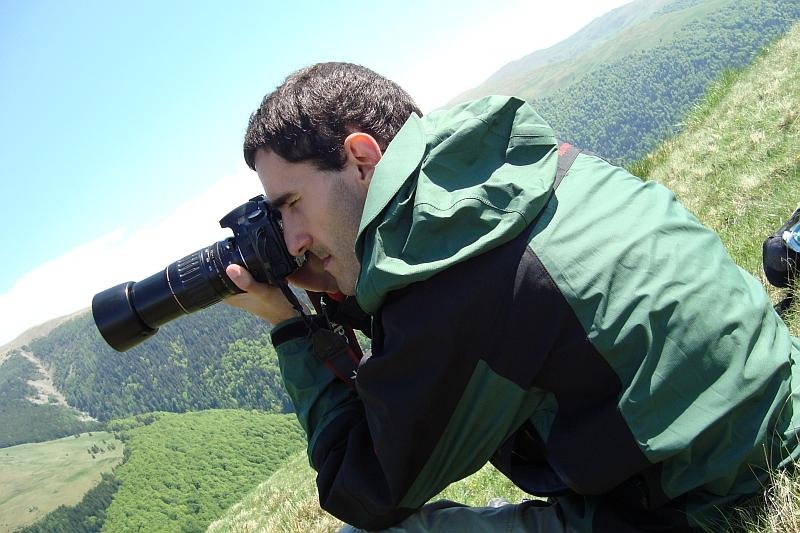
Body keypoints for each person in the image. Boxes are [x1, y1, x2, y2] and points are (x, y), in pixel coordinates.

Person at [224, 62, 800, 532]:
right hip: (779, 410)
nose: (293, 242)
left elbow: (362, 487)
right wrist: (341, 286)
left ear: (362, 158)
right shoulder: (509, 171)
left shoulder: (453, 292)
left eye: (292, 204)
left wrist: (290, 327)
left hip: (709, 500)